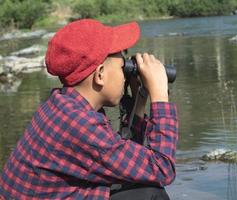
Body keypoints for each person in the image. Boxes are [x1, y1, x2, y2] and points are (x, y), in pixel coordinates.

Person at [0, 19, 178, 200]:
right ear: (100, 74)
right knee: (150, 194)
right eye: (122, 66)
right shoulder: (80, 124)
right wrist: (160, 94)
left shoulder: (64, 104)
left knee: (138, 184)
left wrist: (139, 99)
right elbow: (161, 168)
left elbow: (127, 161)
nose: (125, 75)